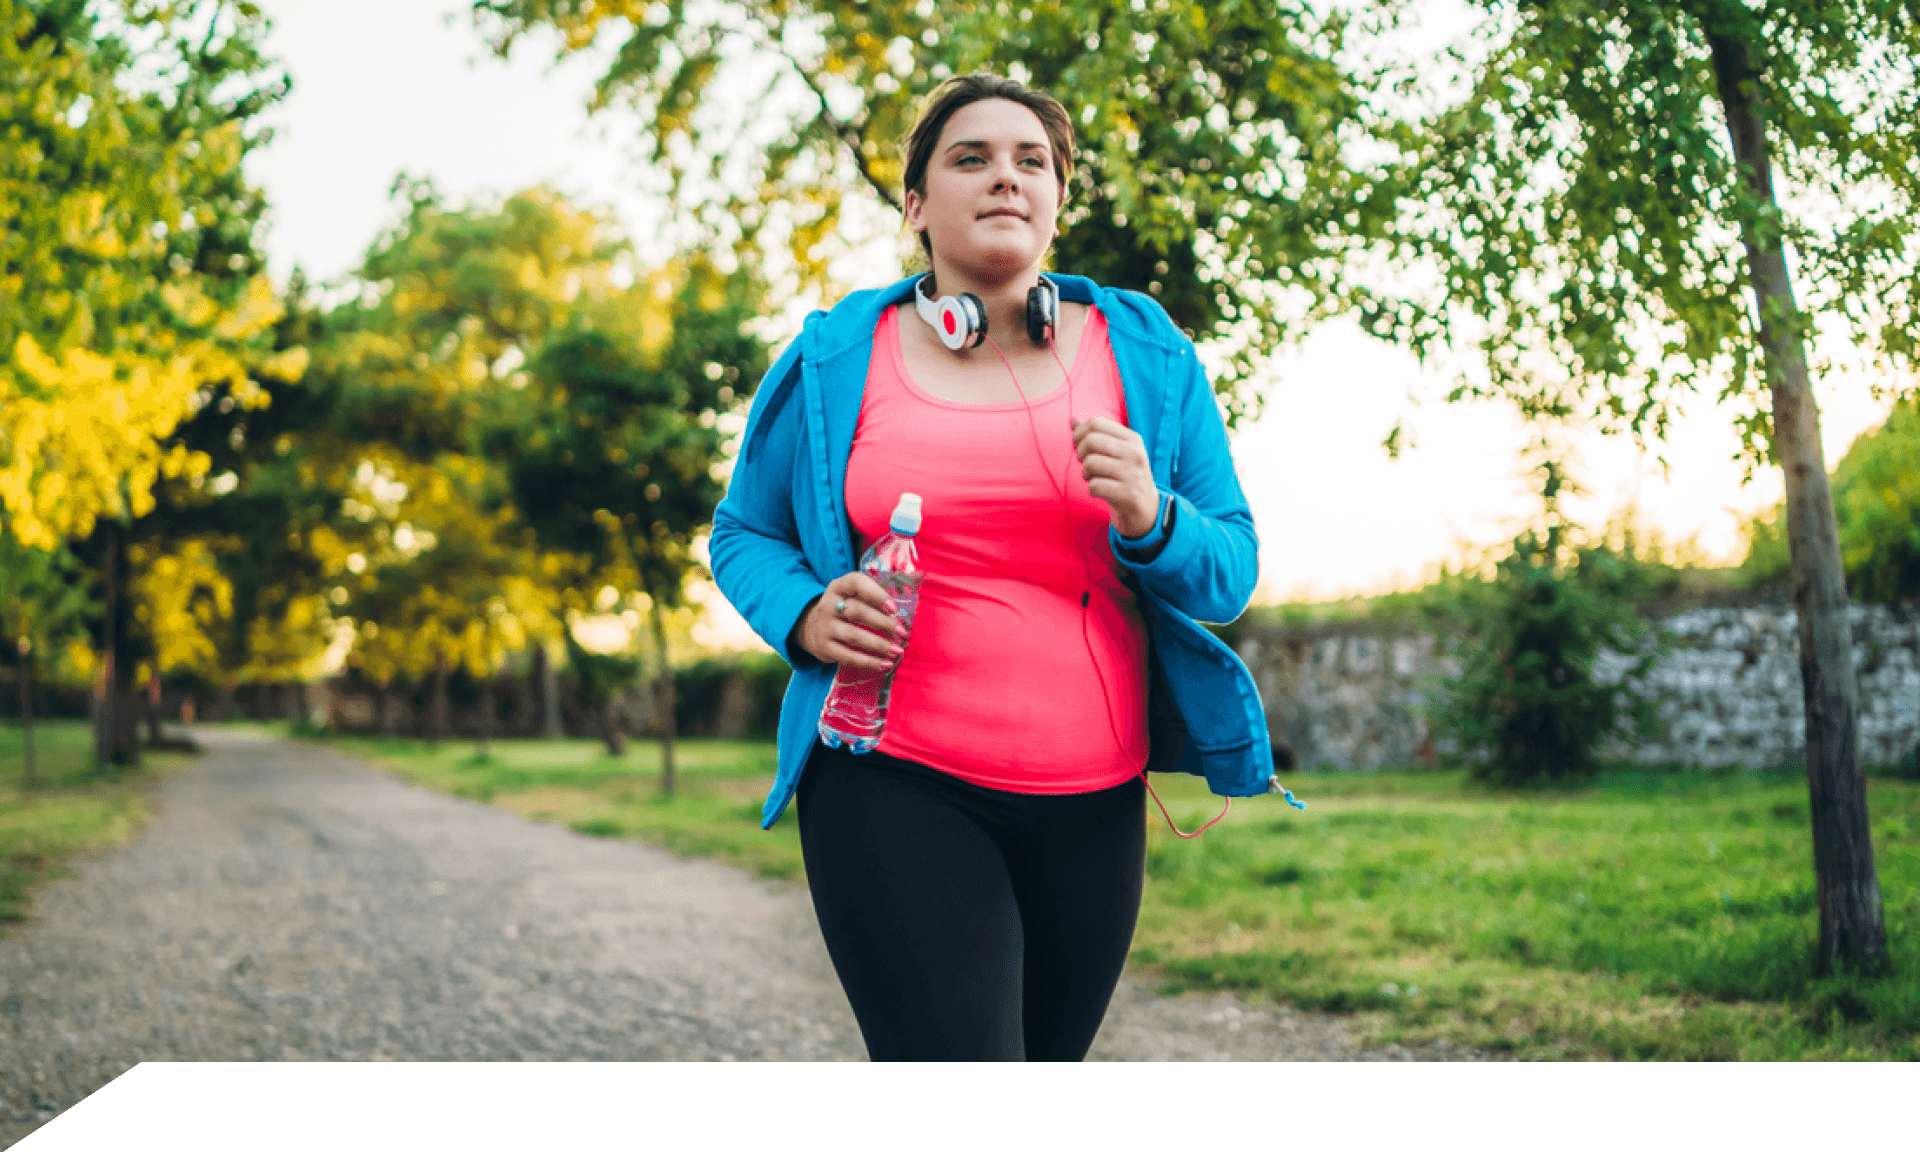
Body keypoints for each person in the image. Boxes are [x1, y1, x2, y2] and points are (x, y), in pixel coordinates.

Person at [709, 72, 1279, 1062]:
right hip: (890, 779)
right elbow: (743, 533)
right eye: (970, 158)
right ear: (916, 206)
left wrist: (1153, 516)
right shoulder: (836, 355)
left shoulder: (1148, 354)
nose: (1005, 177)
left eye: (1032, 162)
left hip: (1095, 801)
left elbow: (1228, 573)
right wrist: (803, 613)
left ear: (1058, 198)